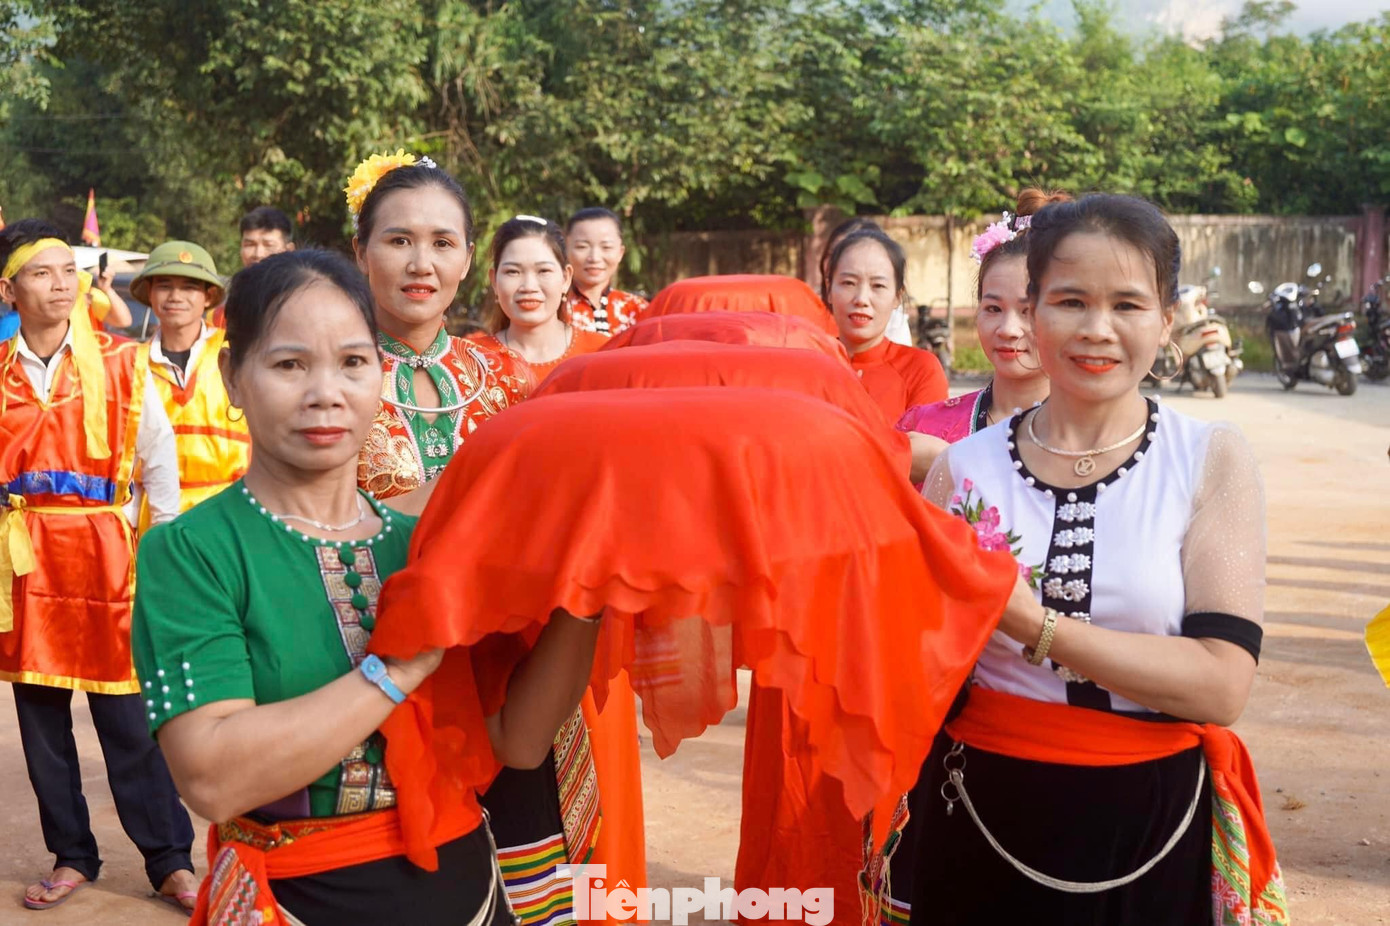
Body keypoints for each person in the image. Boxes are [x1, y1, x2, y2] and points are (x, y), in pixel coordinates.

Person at [131, 248, 603, 925]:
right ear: (233, 377)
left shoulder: (426, 545)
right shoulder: (192, 552)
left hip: (466, 889)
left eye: (353, 362)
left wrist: (586, 595)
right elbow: (211, 775)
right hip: (296, 897)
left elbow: (516, 741)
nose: (326, 391)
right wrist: (396, 673)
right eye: (290, 364)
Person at [903, 194, 1284, 924]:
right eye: (1071, 301)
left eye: (1129, 305)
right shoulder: (963, 471)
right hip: (979, 813)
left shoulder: (1208, 460)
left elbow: (1220, 685)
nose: (1097, 330)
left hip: (1150, 828)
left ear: (1167, 321)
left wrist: (1032, 624)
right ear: (1033, 310)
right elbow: (920, 664)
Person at [0, 219, 198, 913]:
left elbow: (159, 459)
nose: (61, 282)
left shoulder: (120, 361)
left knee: (128, 716)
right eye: (42, 272)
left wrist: (164, 547)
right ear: (9, 290)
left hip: (107, 553)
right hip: (25, 557)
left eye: (67, 269)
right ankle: (72, 854)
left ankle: (170, 858)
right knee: (41, 718)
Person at [347, 152, 534, 500]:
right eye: (399, 241)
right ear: (361, 253)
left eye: (442, 244)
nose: (421, 264)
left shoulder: (508, 379)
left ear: (466, 260)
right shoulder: (328, 382)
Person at [897, 190, 1064, 485]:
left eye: (1028, 311)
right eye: (993, 308)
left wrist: (949, 466)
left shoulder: (1097, 439)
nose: (1008, 329)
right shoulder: (923, 427)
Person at [129, 241, 249, 525]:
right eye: (165, 285)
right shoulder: (131, 363)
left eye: (189, 287)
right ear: (150, 293)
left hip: (232, 509)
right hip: (157, 517)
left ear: (208, 297)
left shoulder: (237, 352)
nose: (175, 296)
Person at [825, 228, 948, 421]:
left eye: (878, 286)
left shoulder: (920, 369)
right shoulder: (807, 364)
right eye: (849, 283)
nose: (861, 299)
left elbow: (928, 446)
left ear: (898, 296)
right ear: (829, 289)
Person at [470, 216, 610, 382]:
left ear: (566, 279)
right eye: (513, 272)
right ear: (494, 281)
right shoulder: (471, 360)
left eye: (543, 271)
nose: (529, 286)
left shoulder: (602, 352)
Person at [819, 217, 912, 347]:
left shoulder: (917, 364)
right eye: (833, 254)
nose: (861, 299)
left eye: (878, 286)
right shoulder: (806, 303)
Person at [564, 207, 647, 335]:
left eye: (606, 247)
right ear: (566, 251)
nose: (594, 258)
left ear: (620, 253)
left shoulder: (638, 309)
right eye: (582, 247)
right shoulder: (552, 309)